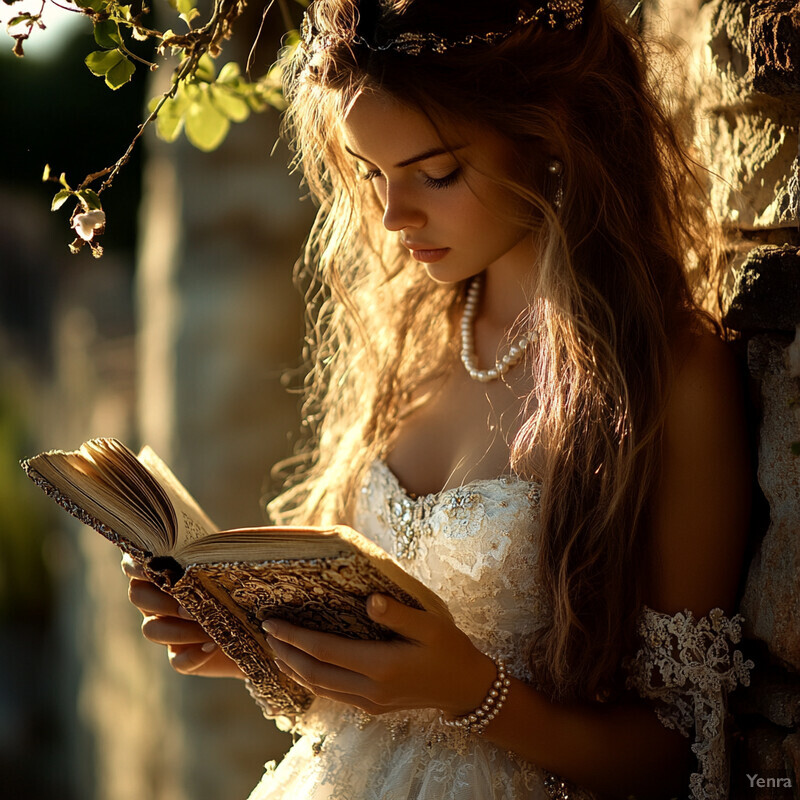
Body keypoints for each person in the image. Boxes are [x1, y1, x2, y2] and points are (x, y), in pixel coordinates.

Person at [123, 0, 755, 796]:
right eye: (371, 172)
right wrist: (261, 643)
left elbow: (683, 751)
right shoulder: (408, 339)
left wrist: (472, 695)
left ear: (550, 135)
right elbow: (378, 686)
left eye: (436, 172)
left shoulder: (670, 373)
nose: (393, 217)